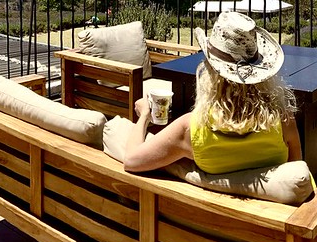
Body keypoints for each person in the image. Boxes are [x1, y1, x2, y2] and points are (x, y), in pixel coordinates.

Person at [124, 10, 302, 174]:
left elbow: (131, 161)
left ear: (211, 73)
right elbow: (295, 172)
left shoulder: (191, 129)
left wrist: (144, 116)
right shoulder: (284, 121)